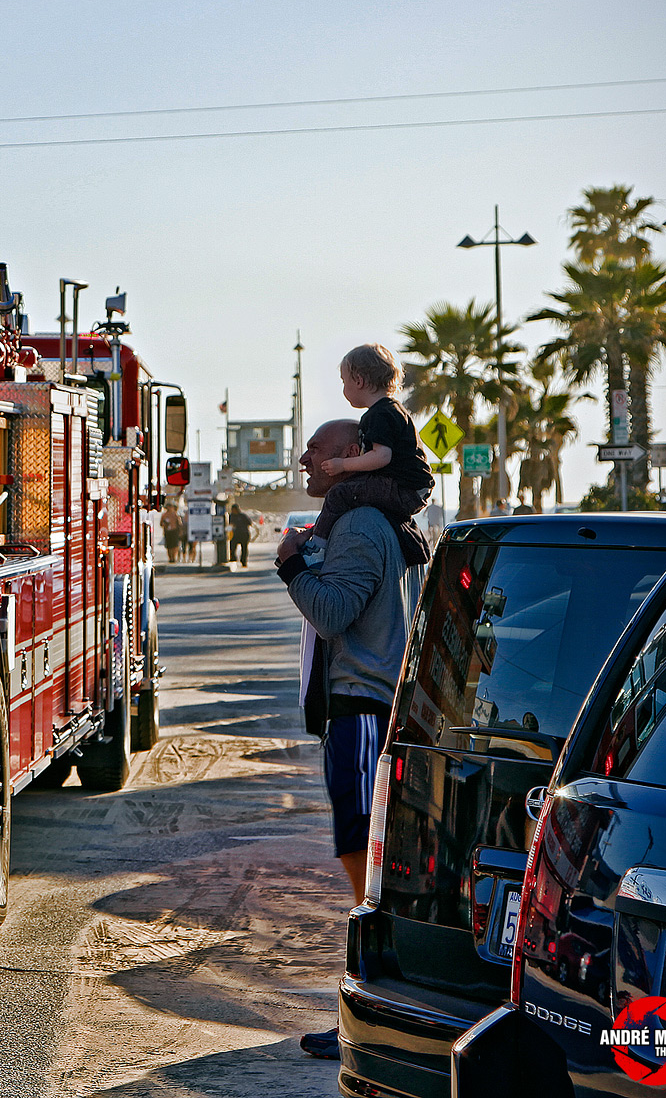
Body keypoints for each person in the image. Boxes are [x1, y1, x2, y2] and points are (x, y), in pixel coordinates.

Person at [277, 419, 425, 1061]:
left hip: (364, 712)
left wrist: (290, 567)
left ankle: (373, 1018)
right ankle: (376, 1013)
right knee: (367, 866)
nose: (306, 459)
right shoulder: (367, 521)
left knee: (369, 870)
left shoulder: (362, 524)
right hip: (363, 712)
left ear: (356, 455)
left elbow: (334, 611)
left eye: (318, 448)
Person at [309, 343, 433, 568]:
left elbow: (381, 457)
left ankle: (317, 549)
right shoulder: (394, 410)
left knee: (339, 493)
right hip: (413, 488)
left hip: (403, 488)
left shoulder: (379, 414)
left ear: (359, 381)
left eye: (344, 381)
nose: (344, 389)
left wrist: (343, 464)